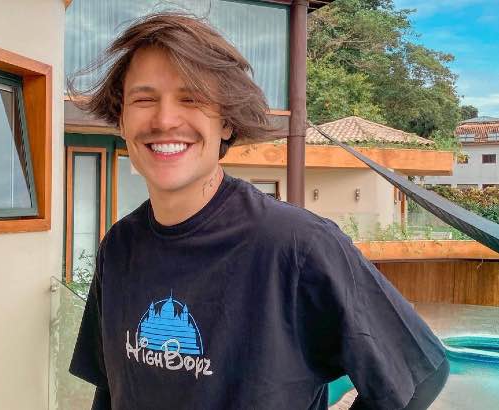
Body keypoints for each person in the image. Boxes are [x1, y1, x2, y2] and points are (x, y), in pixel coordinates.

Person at [69, 12, 449, 410]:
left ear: (226, 123)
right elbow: (110, 389)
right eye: (144, 99)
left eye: (191, 98)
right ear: (122, 120)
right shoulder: (120, 247)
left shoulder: (296, 245)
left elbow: (418, 376)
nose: (164, 119)